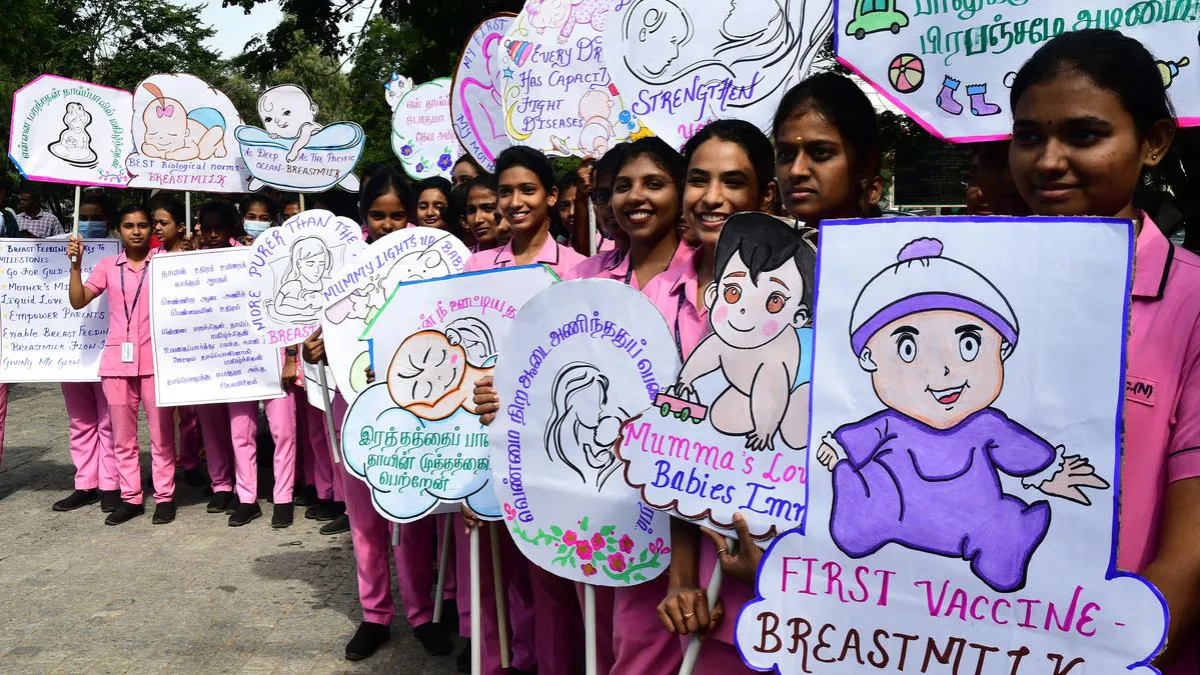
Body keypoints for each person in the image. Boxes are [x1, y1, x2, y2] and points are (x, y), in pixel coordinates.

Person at [1007, 29, 1200, 671]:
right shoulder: (972, 285)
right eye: (1029, 136)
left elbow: (1192, 546)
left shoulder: (1193, 300)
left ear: (1153, 142)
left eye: (1084, 135)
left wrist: (1111, 657)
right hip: (962, 640)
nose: (1048, 160)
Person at [642, 119, 779, 674]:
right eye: (698, 180)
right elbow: (662, 442)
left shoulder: (809, 296)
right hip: (668, 567)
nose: (712, 197)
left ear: (764, 195)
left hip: (763, 564)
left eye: (733, 181)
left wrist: (770, 563)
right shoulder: (652, 298)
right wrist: (680, 577)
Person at [311, 167, 457, 662]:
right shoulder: (341, 270)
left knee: (412, 513)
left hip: (416, 406)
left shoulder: (434, 262)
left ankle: (421, 613)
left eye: (399, 215)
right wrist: (316, 346)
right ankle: (375, 614)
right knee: (365, 518)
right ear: (363, 216)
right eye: (379, 215)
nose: (390, 225)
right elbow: (323, 330)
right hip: (354, 403)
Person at [462, 146, 589, 675]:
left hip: (549, 448)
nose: (515, 202)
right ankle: (498, 665)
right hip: (481, 440)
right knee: (494, 574)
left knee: (551, 575)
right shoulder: (473, 267)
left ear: (552, 196)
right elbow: (458, 357)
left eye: (528, 190)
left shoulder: (580, 271)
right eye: (506, 192)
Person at [66, 205, 177, 525]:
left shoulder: (165, 264)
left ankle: (165, 495)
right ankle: (131, 497)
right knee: (123, 438)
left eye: (143, 225)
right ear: (119, 230)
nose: (137, 231)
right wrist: (75, 265)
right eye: (129, 225)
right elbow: (78, 300)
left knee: (161, 435)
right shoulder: (106, 266)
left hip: (157, 362)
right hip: (116, 363)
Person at [192, 201, 300, 528]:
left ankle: (283, 497)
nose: (212, 234)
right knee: (241, 433)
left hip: (273, 354)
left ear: (232, 227)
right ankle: (247, 498)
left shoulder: (260, 256)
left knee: (284, 431)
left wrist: (291, 355)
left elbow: (287, 304)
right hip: (234, 360)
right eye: (207, 228)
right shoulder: (194, 263)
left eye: (219, 228)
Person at [51, 196, 118, 514]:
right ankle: (85, 483)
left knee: (109, 421)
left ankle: (112, 483)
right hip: (69, 350)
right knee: (80, 421)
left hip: (109, 350)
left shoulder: (120, 251)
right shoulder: (58, 248)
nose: (90, 222)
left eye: (97, 216)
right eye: (84, 216)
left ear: (108, 220)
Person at [773, 72, 883, 225]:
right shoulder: (754, 247)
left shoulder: (906, 248)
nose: (796, 171)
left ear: (864, 168)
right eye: (785, 155)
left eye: (820, 153)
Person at [150, 198, 206, 488]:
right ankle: (164, 465)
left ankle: (192, 461)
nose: (157, 228)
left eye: (164, 222)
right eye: (155, 223)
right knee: (161, 415)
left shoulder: (194, 255)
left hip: (191, 344)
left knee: (190, 412)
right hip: (157, 346)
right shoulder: (150, 258)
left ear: (179, 225)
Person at [462, 175, 509, 252]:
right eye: (471, 210)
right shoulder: (462, 259)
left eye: (488, 208)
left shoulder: (530, 258)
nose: (477, 219)